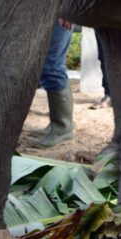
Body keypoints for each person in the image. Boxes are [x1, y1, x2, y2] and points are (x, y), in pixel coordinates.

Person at [27, 19, 74, 147]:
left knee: (53, 65)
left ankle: (62, 127)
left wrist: (66, 10)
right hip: (53, 12)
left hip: (61, 12)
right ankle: (57, 124)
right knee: (48, 63)